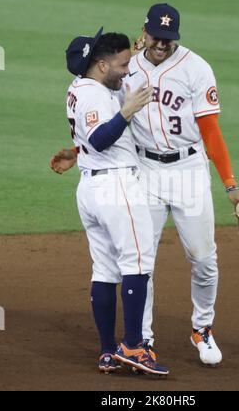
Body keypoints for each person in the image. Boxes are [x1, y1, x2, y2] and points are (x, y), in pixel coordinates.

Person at [51, 4, 239, 367]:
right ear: (145, 33)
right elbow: (103, 124)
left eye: (169, 39)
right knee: (141, 259)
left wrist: (231, 185)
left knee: (204, 258)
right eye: (156, 37)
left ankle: (202, 328)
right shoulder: (127, 66)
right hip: (143, 170)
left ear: (177, 37)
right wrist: (78, 151)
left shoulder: (196, 68)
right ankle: (142, 339)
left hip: (188, 167)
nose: (162, 44)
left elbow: (210, 131)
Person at [63, 27, 169, 375]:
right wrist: (127, 111)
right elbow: (99, 140)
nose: (128, 70)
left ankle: (108, 351)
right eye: (122, 65)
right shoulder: (95, 95)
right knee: (137, 263)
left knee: (106, 270)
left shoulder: (81, 87)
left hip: (92, 190)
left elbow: (85, 142)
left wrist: (73, 151)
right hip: (116, 188)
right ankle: (135, 347)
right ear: (102, 66)